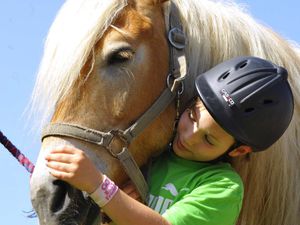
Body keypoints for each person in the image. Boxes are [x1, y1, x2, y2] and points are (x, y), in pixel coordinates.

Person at [45, 56, 294, 225]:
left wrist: (100, 187)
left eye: (208, 139)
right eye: (192, 115)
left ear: (239, 151)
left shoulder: (222, 187)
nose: (188, 136)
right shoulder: (151, 153)